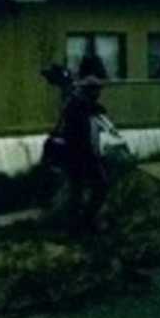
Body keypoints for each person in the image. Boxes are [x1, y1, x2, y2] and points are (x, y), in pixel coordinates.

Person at [60, 69, 111, 233]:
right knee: (97, 186)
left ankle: (79, 224)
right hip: (81, 155)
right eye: (96, 90)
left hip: (80, 155)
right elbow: (80, 130)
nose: (98, 93)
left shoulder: (79, 104)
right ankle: (83, 223)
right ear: (89, 90)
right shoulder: (78, 105)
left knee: (78, 190)